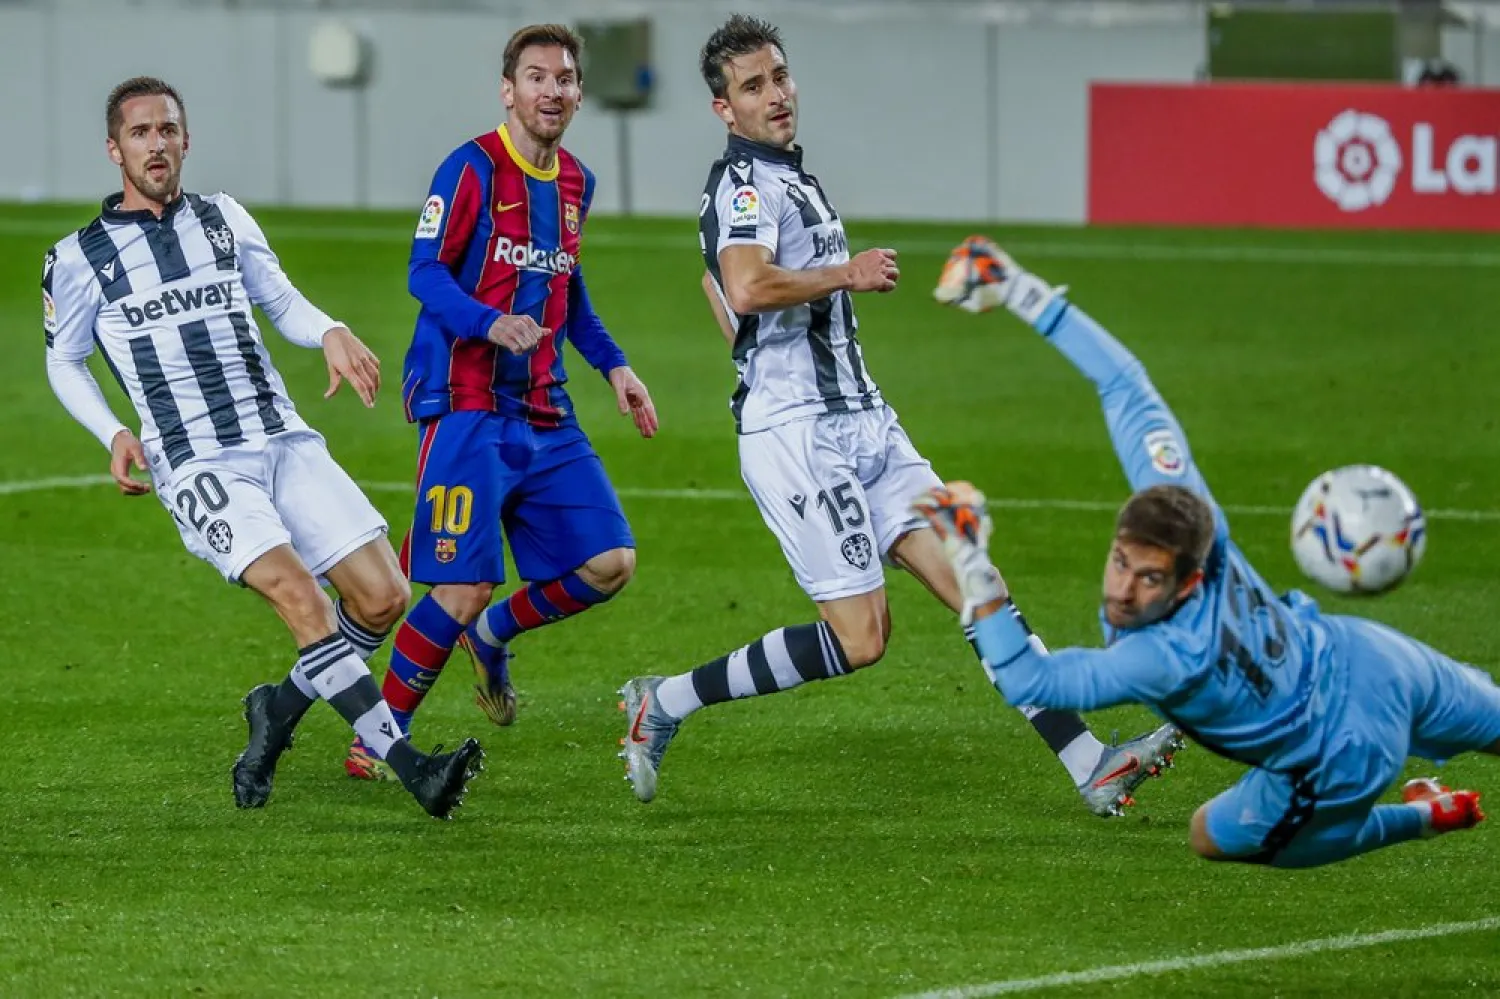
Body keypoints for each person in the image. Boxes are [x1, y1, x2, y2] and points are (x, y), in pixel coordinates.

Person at [615, 15, 1179, 815]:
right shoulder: (746, 184)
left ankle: (1091, 763)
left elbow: (724, 295)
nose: (776, 95)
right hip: (802, 435)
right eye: (753, 86)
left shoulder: (791, 177)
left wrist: (756, 337)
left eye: (780, 76)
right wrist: (845, 273)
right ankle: (665, 700)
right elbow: (743, 284)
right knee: (861, 638)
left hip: (866, 421)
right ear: (724, 108)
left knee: (978, 582)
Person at [915, 236, 1494, 867]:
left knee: (1213, 835)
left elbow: (1030, 680)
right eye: (1121, 562)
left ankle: (1423, 817)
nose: (1123, 589)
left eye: (1149, 580)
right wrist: (1021, 290)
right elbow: (1126, 387)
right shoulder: (1192, 517)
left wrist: (970, 558)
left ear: (1188, 582)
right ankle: (1433, 802)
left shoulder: (1162, 657)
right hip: (1368, 654)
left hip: (1337, 751)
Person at [42, 76, 483, 818]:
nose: (156, 144)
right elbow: (65, 359)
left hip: (281, 436)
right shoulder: (79, 258)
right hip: (197, 460)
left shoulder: (224, 219)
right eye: (140, 133)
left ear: (186, 140)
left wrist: (329, 330)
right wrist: (113, 431)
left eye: (168, 129)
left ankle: (275, 712)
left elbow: (279, 298)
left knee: (383, 597)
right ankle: (412, 767)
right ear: (114, 149)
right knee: (299, 594)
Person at [347, 24, 658, 778]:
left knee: (611, 562)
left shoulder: (576, 182)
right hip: (465, 403)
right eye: (536, 77)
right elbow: (424, 271)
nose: (552, 90)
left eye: (564, 78)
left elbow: (568, 288)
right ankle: (376, 738)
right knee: (460, 584)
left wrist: (615, 366)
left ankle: (490, 634)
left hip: (545, 408)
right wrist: (489, 322)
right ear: (508, 91)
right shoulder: (470, 169)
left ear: (579, 94)